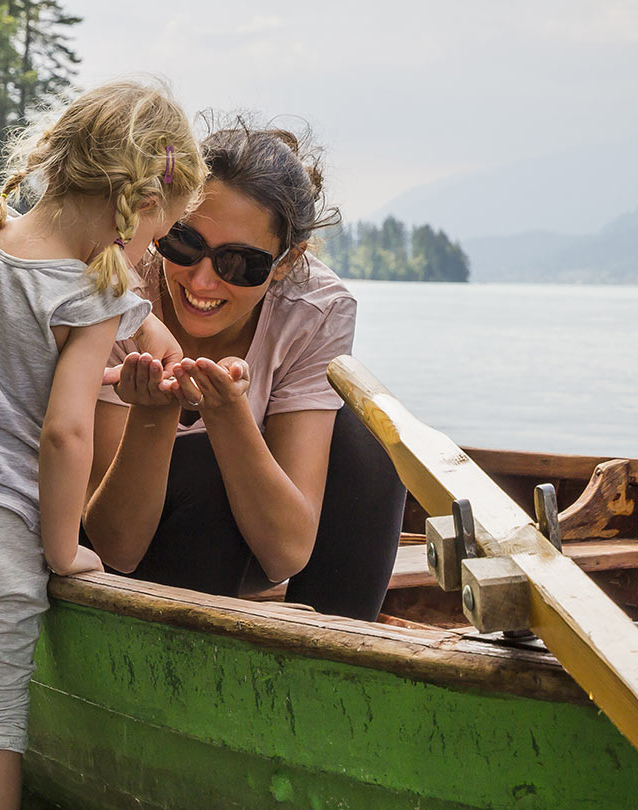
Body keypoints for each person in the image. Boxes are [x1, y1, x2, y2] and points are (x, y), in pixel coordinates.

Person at [0, 79, 204, 810]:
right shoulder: (86, 297)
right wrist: (63, 550)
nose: (149, 252)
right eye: (156, 236)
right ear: (141, 206)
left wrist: (138, 319)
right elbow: (65, 429)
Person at [82, 123, 407, 621]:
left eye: (240, 263)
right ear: (161, 223)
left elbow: (287, 554)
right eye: (185, 244)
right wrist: (154, 414)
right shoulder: (118, 286)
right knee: (199, 465)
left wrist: (228, 415)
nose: (204, 279)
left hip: (250, 541)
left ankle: (331, 662)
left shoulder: (315, 309)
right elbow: (116, 545)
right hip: (113, 548)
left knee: (371, 441)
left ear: (284, 263)